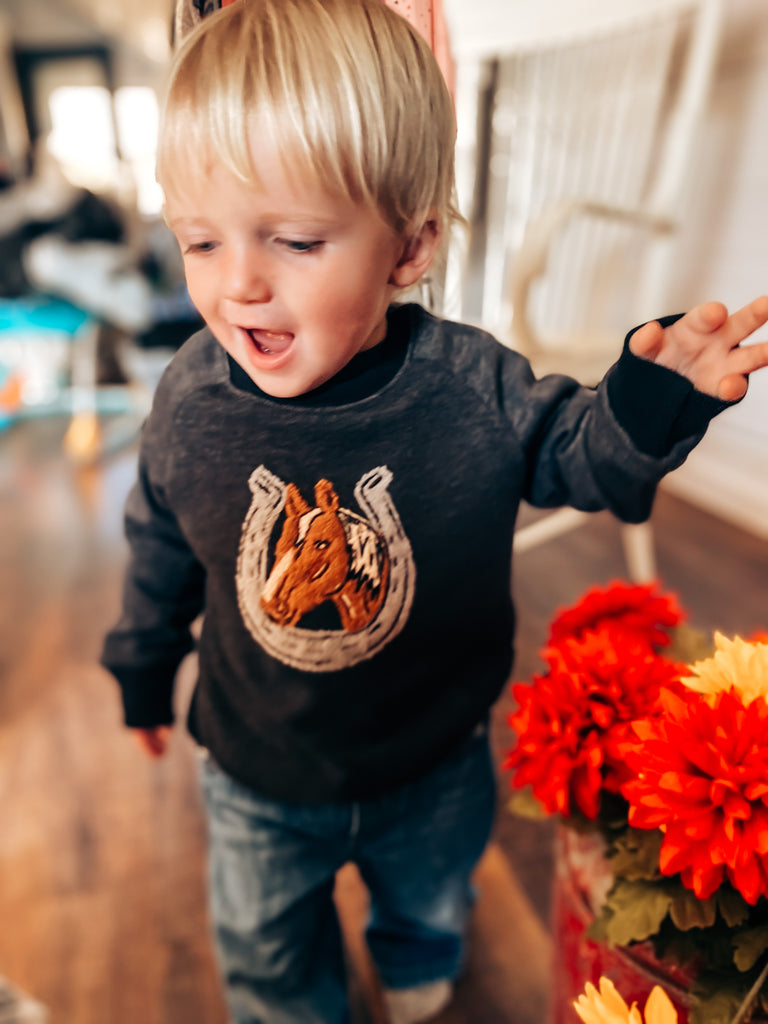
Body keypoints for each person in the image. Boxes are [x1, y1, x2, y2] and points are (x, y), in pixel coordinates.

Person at [100, 0, 768, 1021]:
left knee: (432, 901)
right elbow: (158, 541)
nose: (238, 285)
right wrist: (142, 665)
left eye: (294, 240)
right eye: (199, 241)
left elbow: (579, 458)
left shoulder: (471, 387)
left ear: (409, 249)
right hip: (257, 771)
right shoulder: (189, 401)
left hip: (435, 756)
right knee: (268, 953)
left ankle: (417, 963)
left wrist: (648, 402)